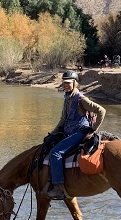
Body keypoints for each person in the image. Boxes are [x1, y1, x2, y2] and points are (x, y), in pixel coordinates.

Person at [44, 70, 106, 200]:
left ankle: (59, 188)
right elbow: (63, 120)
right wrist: (53, 133)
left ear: (75, 83)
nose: (65, 85)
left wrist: (93, 129)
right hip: (69, 131)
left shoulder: (81, 100)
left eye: (68, 83)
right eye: (64, 83)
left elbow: (101, 110)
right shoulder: (67, 98)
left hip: (80, 132)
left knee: (56, 153)